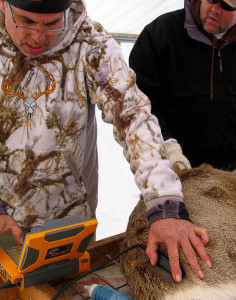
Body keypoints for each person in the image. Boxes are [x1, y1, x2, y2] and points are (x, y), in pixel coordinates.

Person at [0, 0, 211, 284]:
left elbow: (133, 116)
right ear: (3, 5)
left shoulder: (91, 43)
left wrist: (165, 204)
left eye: (52, 24)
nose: (38, 37)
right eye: (26, 21)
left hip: (68, 220)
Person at [129, 0, 236, 172]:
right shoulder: (160, 34)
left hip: (230, 176)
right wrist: (167, 147)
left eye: (227, 5)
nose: (215, 9)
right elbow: (137, 102)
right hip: (173, 172)